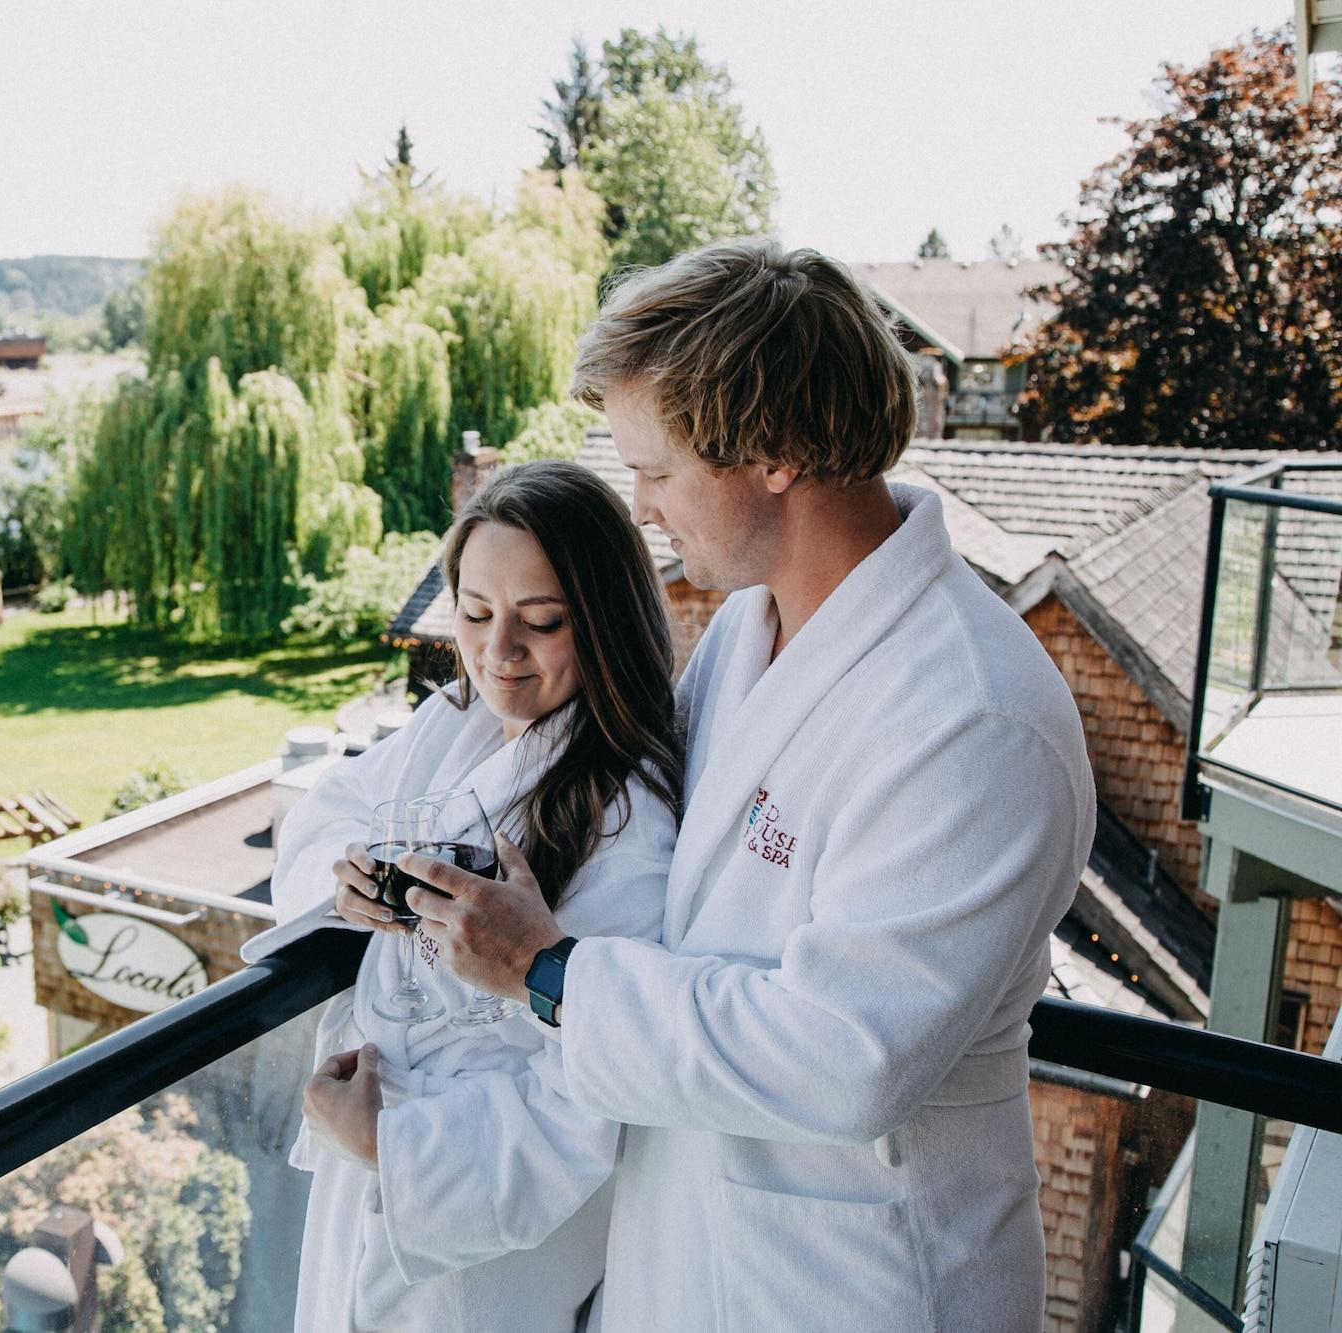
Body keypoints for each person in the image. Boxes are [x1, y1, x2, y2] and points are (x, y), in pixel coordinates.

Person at [405, 239, 1096, 1332]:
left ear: (772, 451)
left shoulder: (969, 719)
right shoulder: (746, 630)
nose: (637, 505)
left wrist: (547, 970)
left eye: (658, 469)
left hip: (856, 1281)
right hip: (694, 1243)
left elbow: (840, 1056)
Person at [240, 460, 684, 1332]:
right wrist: (347, 873)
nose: (497, 651)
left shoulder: (626, 815)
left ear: (605, 620)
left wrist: (389, 1147)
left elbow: (597, 1078)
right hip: (366, 1155)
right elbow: (331, 806)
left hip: (473, 1229)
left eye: (542, 621)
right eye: (475, 614)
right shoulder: (458, 723)